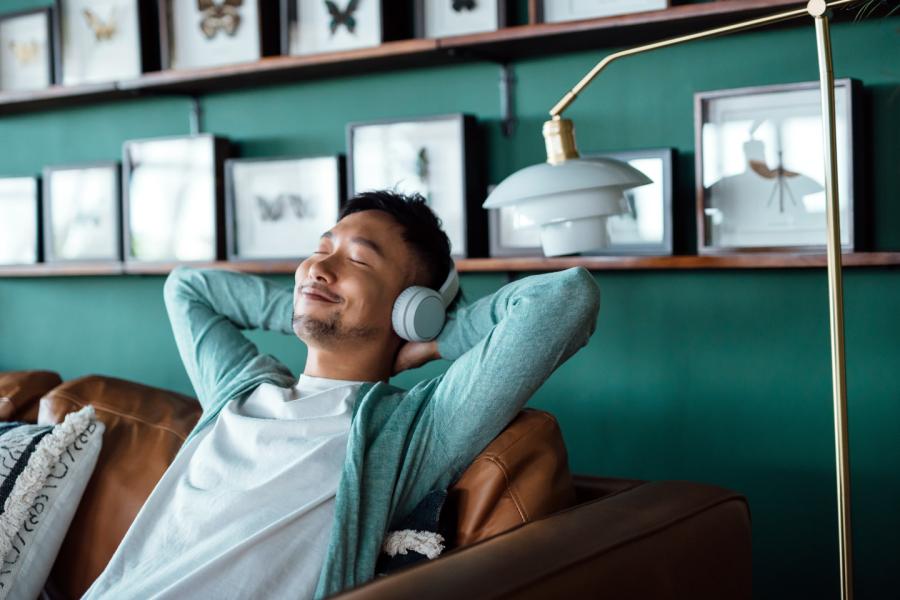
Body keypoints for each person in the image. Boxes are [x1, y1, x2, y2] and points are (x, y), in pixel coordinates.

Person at [82, 190, 601, 599]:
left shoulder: (412, 429)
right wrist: (308, 301)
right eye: (321, 249)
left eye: (358, 260)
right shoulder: (240, 388)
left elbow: (566, 298)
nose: (320, 267)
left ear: (410, 306)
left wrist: (436, 334)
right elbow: (186, 288)